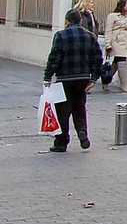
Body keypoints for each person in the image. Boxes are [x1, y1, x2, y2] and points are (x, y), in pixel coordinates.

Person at [43, 9, 102, 152]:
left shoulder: (61, 35)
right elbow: (97, 58)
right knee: (79, 106)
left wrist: (48, 76)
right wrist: (93, 78)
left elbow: (54, 57)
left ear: (66, 21)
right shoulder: (90, 36)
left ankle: (61, 142)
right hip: (82, 78)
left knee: (62, 110)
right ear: (81, 21)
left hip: (64, 78)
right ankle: (82, 130)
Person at [103, 0, 127, 93]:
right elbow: (108, 30)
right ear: (123, 5)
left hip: (126, 42)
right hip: (116, 41)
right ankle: (123, 84)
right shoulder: (113, 16)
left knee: (116, 62)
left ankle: (106, 80)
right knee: (122, 61)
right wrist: (107, 43)